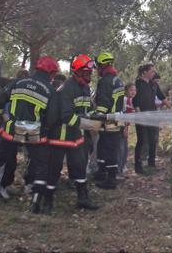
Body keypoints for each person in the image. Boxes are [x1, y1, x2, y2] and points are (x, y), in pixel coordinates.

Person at [0, 56, 59, 212]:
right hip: (35, 133)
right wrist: (46, 129)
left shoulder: (17, 83)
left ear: (36, 69)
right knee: (41, 165)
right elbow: (53, 117)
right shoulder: (50, 90)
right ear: (51, 73)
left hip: (12, 130)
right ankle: (35, 203)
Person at [43, 55, 99, 214]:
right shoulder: (66, 88)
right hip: (60, 136)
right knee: (54, 169)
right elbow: (66, 116)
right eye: (87, 72)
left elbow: (87, 109)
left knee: (80, 167)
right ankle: (47, 202)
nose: (89, 75)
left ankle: (83, 199)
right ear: (77, 71)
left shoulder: (85, 88)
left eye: (90, 73)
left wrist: (98, 116)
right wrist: (89, 124)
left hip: (75, 136)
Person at [93, 52, 125, 189]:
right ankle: (101, 172)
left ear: (103, 65)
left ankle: (111, 180)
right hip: (117, 119)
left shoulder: (105, 81)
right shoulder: (117, 80)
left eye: (98, 66)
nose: (96, 70)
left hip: (108, 120)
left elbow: (104, 103)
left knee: (109, 149)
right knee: (103, 146)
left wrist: (96, 115)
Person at [133, 63, 171, 174]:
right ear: (144, 72)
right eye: (152, 71)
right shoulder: (137, 84)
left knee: (153, 140)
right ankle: (138, 166)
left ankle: (151, 163)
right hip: (141, 116)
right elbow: (135, 101)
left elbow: (162, 97)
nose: (154, 73)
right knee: (142, 141)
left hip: (153, 117)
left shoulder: (153, 84)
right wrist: (139, 116)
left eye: (154, 71)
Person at [120, 83, 137, 175]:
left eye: (135, 90)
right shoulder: (124, 100)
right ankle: (120, 168)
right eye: (131, 90)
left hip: (126, 126)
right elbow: (123, 116)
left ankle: (123, 166)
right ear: (126, 91)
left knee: (125, 148)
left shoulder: (130, 100)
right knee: (122, 148)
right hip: (122, 127)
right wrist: (125, 128)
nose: (133, 92)